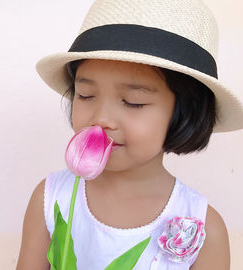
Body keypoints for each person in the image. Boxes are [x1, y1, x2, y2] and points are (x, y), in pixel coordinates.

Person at [16, 0, 243, 269]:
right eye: (86, 95)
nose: (101, 118)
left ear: (184, 113)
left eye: (133, 101)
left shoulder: (204, 229)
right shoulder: (53, 198)